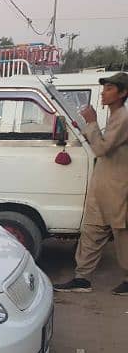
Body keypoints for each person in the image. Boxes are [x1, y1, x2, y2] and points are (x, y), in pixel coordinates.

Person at [54, 72, 128, 296]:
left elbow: (102, 148)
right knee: (91, 231)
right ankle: (82, 278)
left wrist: (92, 123)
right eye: (104, 89)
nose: (104, 93)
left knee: (122, 234)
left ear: (123, 93)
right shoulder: (115, 117)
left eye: (109, 89)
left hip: (118, 187)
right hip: (102, 185)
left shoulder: (123, 118)